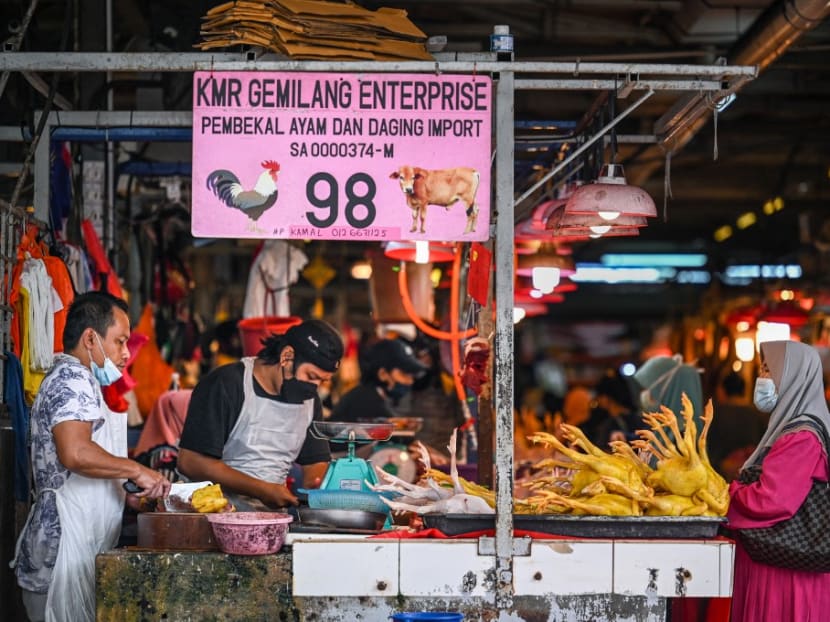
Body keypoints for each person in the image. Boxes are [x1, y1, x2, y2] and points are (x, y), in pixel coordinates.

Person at [12, 292, 172, 622]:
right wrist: (136, 470)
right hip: (60, 551)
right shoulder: (72, 380)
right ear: (90, 337)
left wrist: (122, 495)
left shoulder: (79, 378)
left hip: (72, 546)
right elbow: (75, 453)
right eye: (120, 342)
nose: (126, 354)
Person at [177, 319, 344, 508]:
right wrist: (262, 489)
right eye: (312, 376)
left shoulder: (310, 400)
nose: (316, 387)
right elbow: (191, 461)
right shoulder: (227, 384)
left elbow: (315, 463)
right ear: (287, 356)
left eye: (323, 381)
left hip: (272, 518)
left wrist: (320, 485)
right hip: (213, 513)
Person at [727, 340, 830, 622]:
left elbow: (773, 500)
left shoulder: (801, 436)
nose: (761, 379)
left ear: (792, 377)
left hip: (786, 574)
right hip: (777, 562)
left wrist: (727, 495)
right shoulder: (789, 428)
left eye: (768, 370)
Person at [331, 337, 427, 423]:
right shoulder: (366, 399)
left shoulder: (370, 393)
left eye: (411, 376)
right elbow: (395, 428)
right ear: (383, 374)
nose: (410, 381)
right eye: (404, 374)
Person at [707, 370, 766, 480]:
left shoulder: (715, 414)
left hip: (722, 477)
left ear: (723, 390)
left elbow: (709, 450)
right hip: (751, 476)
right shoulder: (759, 414)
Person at [634, 353, 704, 432]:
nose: (645, 394)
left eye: (649, 388)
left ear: (664, 389)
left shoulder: (682, 436)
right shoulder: (666, 428)